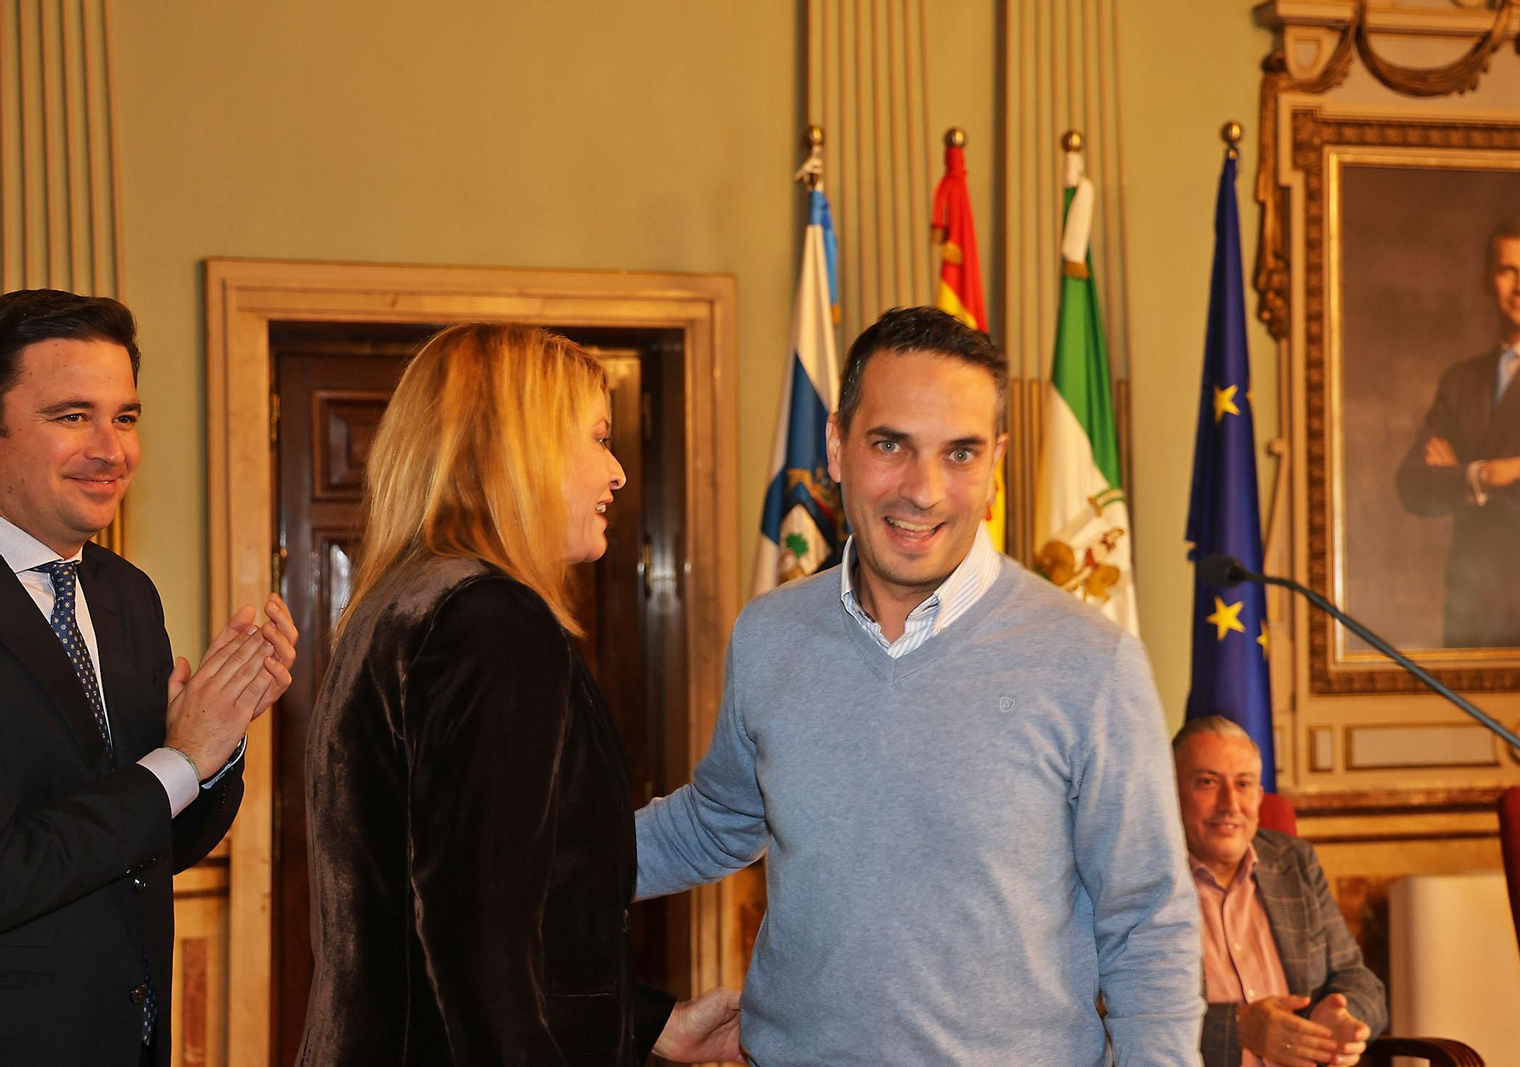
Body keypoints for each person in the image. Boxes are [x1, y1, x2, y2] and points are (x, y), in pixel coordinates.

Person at [636, 306, 1203, 1065]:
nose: (924, 489)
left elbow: (1148, 924)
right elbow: (715, 821)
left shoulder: (1092, 664)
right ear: (836, 445)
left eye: (961, 453)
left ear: (996, 461)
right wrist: (528, 855)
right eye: (891, 444)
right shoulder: (768, 636)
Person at [297, 322, 739, 1066]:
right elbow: (478, 949)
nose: (618, 471)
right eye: (598, 438)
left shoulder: (397, 603)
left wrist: (648, 1022)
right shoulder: (491, 622)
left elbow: (487, 910)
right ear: (519, 450)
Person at [0, 288, 297, 1066]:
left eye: (125, 417)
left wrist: (217, 742)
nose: (112, 449)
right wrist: (176, 760)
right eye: (72, 416)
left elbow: (154, 843)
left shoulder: (128, 595)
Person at [1396, 215, 1520, 648]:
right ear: (1490, 281)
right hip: (1471, 613)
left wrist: (1459, 476)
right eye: (1508, 270)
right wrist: (1486, 474)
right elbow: (1412, 485)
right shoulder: (1460, 381)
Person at [1173, 716, 1384, 1067]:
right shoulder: (1137, 878)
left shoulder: (1293, 862)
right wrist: (1239, 1028)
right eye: (1207, 783)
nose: (1230, 804)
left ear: (1258, 799)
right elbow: (1114, 1017)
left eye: (1243, 785)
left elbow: (1360, 980)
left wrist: (1343, 1016)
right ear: (1170, 792)